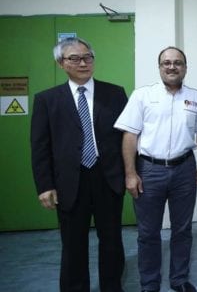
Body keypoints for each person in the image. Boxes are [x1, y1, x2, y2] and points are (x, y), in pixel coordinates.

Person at [114, 46, 197, 292]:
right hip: (149, 170)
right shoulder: (142, 96)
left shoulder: (196, 97)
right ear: (159, 67)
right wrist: (130, 173)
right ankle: (150, 284)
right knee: (148, 232)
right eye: (166, 62)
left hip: (184, 169)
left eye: (177, 62)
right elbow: (129, 136)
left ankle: (179, 280)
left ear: (185, 67)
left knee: (182, 229)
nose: (172, 66)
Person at [30, 37, 127, 292]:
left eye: (88, 57)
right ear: (61, 63)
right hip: (69, 182)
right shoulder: (47, 100)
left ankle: (112, 287)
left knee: (112, 242)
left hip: (108, 178)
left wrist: (131, 172)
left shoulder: (115, 94)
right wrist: (44, 185)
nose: (83, 63)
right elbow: (40, 147)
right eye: (75, 58)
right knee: (73, 244)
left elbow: (128, 138)